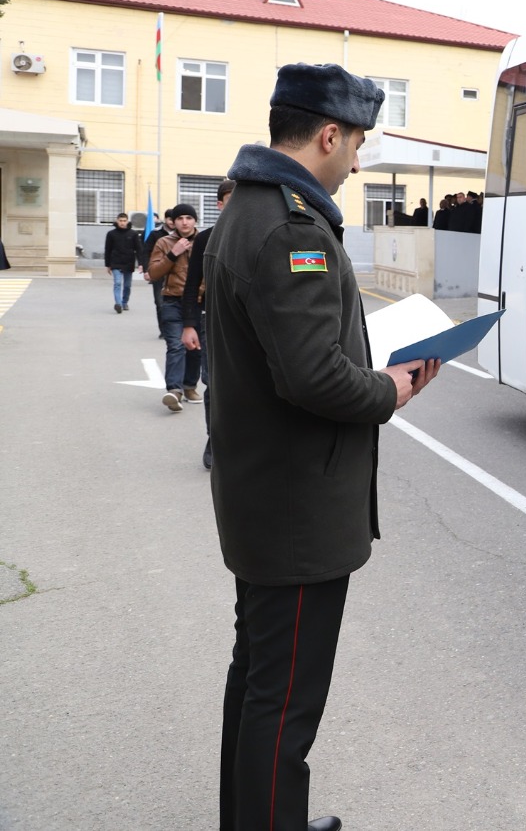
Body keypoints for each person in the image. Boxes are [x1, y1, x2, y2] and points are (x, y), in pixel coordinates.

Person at [207, 62, 440, 831]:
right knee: (284, 706)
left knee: (258, 683)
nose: (358, 161)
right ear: (328, 135)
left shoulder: (252, 207)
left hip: (265, 498)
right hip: (296, 512)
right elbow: (312, 378)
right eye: (358, 144)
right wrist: (392, 389)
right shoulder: (291, 228)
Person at [181, 178, 235, 469]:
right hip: (211, 322)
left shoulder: (256, 234)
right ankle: (214, 440)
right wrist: (189, 324)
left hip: (248, 324)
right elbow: (191, 285)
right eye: (230, 200)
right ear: (219, 204)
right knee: (214, 384)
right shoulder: (205, 239)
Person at [147, 204, 202, 413]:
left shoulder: (205, 241)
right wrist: (173, 253)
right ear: (173, 221)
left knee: (196, 348)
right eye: (180, 218)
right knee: (176, 345)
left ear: (195, 220)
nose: (185, 222)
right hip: (172, 300)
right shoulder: (164, 242)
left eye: (189, 217)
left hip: (198, 301)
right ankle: (174, 390)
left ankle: (189, 386)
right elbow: (153, 273)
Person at [141, 209, 177, 336]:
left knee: (176, 302)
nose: (172, 222)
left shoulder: (182, 235)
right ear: (165, 219)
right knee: (160, 302)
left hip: (176, 274)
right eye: (170, 219)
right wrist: (146, 270)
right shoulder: (155, 234)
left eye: (174, 219)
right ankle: (164, 330)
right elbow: (146, 252)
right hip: (159, 272)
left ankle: (174, 328)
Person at [103, 212, 141, 313]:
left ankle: (124, 302)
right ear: (117, 221)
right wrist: (108, 264)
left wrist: (141, 264)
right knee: (118, 283)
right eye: (120, 221)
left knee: (127, 285)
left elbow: (139, 249)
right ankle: (118, 304)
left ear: (127, 221)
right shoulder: (111, 234)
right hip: (115, 262)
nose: (122, 223)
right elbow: (108, 249)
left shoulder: (133, 234)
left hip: (129, 262)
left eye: (124, 221)